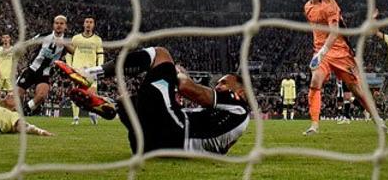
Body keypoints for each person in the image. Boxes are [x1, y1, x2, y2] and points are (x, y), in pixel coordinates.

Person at [56, 46, 249, 155]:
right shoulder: (233, 119)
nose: (218, 86)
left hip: (173, 132)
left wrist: (179, 73)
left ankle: (90, 74)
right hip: (153, 144)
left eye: (224, 83)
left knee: (161, 54)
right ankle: (112, 106)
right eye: (218, 83)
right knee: (131, 101)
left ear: (241, 91)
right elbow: (223, 149)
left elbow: (186, 88)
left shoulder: (238, 104)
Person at [302, 0, 373, 135]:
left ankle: (377, 118)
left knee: (356, 90)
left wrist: (322, 52)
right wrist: (319, 52)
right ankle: (314, 125)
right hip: (321, 52)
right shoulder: (307, 7)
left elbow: (334, 32)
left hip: (339, 51)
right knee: (315, 81)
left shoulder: (330, 4)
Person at [16, 15, 73, 115]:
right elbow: (30, 42)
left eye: (61, 23)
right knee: (18, 93)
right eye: (57, 23)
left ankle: (26, 110)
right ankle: (16, 111)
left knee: (42, 95)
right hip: (32, 68)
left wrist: (64, 44)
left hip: (45, 73)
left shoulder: (67, 41)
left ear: (65, 26)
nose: (59, 25)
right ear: (53, 25)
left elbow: (74, 51)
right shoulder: (45, 36)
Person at [66, 17, 104, 125]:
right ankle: (76, 118)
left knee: (92, 93)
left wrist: (99, 68)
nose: (88, 24)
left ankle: (92, 112)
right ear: (83, 24)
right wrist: (70, 66)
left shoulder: (97, 40)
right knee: (75, 93)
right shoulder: (76, 38)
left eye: (91, 22)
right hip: (77, 69)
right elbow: (69, 53)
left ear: (93, 25)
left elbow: (100, 55)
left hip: (91, 70)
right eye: (87, 22)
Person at [0, 34, 15, 107]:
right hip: (0, 73)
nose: (5, 39)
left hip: (9, 74)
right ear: (2, 40)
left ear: (10, 39)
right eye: (3, 37)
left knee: (10, 93)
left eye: (7, 37)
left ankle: (8, 108)